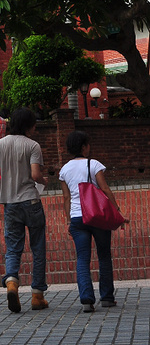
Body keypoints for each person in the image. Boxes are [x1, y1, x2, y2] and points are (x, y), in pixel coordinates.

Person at [59, 130, 127, 312]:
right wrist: (117, 211)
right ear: (84, 147)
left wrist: (69, 220)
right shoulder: (94, 164)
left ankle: (87, 299)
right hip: (97, 217)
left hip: (77, 218)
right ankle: (106, 297)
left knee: (82, 258)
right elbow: (105, 190)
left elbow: (66, 198)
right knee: (104, 256)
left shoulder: (64, 169)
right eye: (88, 144)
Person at [0, 107, 48, 313]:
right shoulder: (33, 145)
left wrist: (3, 188)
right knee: (38, 248)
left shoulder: (0, 144)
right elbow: (35, 174)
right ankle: (37, 296)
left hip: (10, 204)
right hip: (31, 202)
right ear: (28, 125)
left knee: (13, 247)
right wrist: (44, 181)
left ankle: (12, 281)